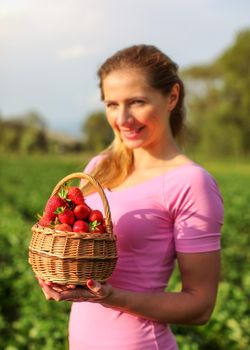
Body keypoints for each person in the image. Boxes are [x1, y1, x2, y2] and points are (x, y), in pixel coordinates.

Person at [38, 44, 224, 349]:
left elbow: (200, 305)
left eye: (136, 102)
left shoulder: (190, 182)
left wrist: (112, 296)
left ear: (172, 97)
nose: (123, 118)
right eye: (112, 104)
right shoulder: (100, 166)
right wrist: (58, 275)